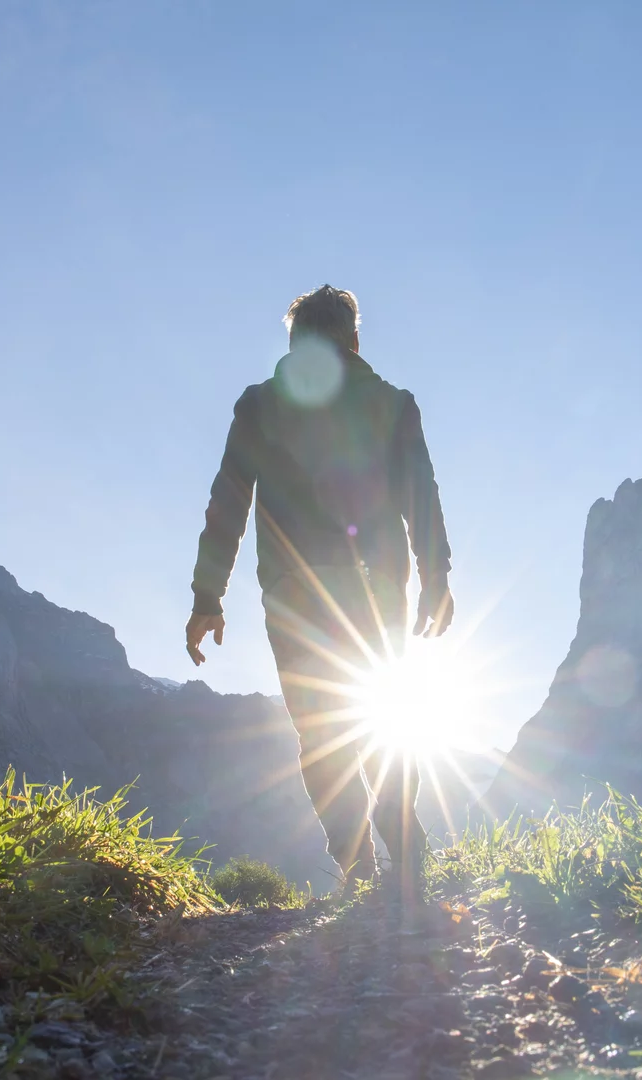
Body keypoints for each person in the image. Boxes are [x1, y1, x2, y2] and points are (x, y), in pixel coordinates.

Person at [185, 284, 453, 899]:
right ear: (355, 340)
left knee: (321, 730)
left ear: (294, 343)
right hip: (376, 585)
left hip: (294, 591)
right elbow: (423, 498)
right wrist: (437, 578)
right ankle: (409, 861)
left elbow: (227, 503)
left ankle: (358, 871)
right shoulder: (393, 403)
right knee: (382, 716)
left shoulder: (259, 406)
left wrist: (207, 597)